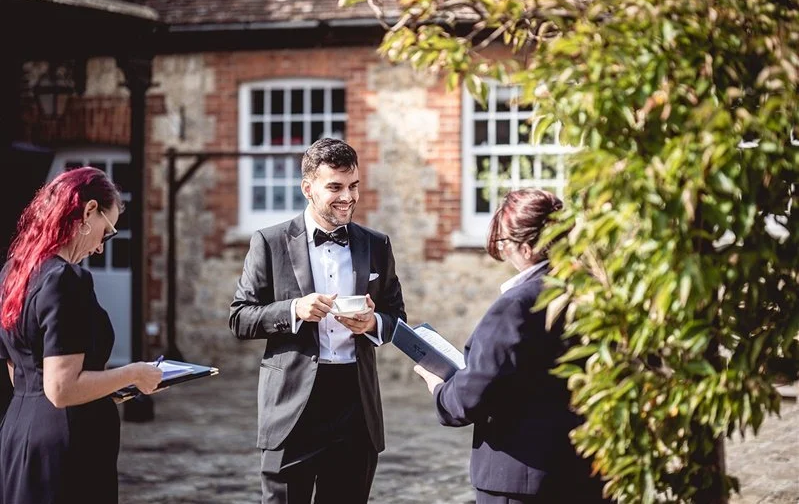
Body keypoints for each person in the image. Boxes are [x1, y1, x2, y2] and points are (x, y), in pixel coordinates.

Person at [229, 138, 406, 504]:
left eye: (354, 185)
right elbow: (240, 317)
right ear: (307, 188)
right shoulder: (269, 242)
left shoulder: (377, 244)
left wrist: (373, 324)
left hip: (355, 406)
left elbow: (397, 316)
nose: (348, 197)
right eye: (336, 187)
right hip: (293, 407)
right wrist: (294, 310)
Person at [413, 188, 608, 504]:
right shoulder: (591, 291)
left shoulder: (517, 304)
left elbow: (469, 399)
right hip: (586, 471)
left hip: (520, 481)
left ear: (527, 247)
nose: (502, 253)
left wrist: (439, 388)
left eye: (504, 243)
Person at [0, 167, 164, 504]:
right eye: (107, 232)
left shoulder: (13, 272)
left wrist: (105, 389)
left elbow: (21, 373)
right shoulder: (65, 279)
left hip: (19, 433)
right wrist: (133, 373)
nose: (101, 248)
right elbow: (61, 389)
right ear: (89, 211)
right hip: (65, 446)